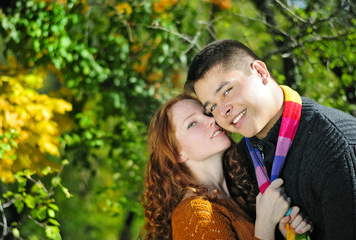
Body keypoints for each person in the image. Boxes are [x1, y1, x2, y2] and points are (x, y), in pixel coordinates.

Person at [184, 39, 356, 240]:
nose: (223, 111)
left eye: (227, 91)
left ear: (260, 72)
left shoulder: (336, 149)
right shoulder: (240, 162)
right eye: (212, 107)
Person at [139, 94, 312, 240]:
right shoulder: (194, 215)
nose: (211, 120)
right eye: (192, 124)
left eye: (207, 113)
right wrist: (265, 224)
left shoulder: (238, 195)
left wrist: (285, 233)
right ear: (177, 154)